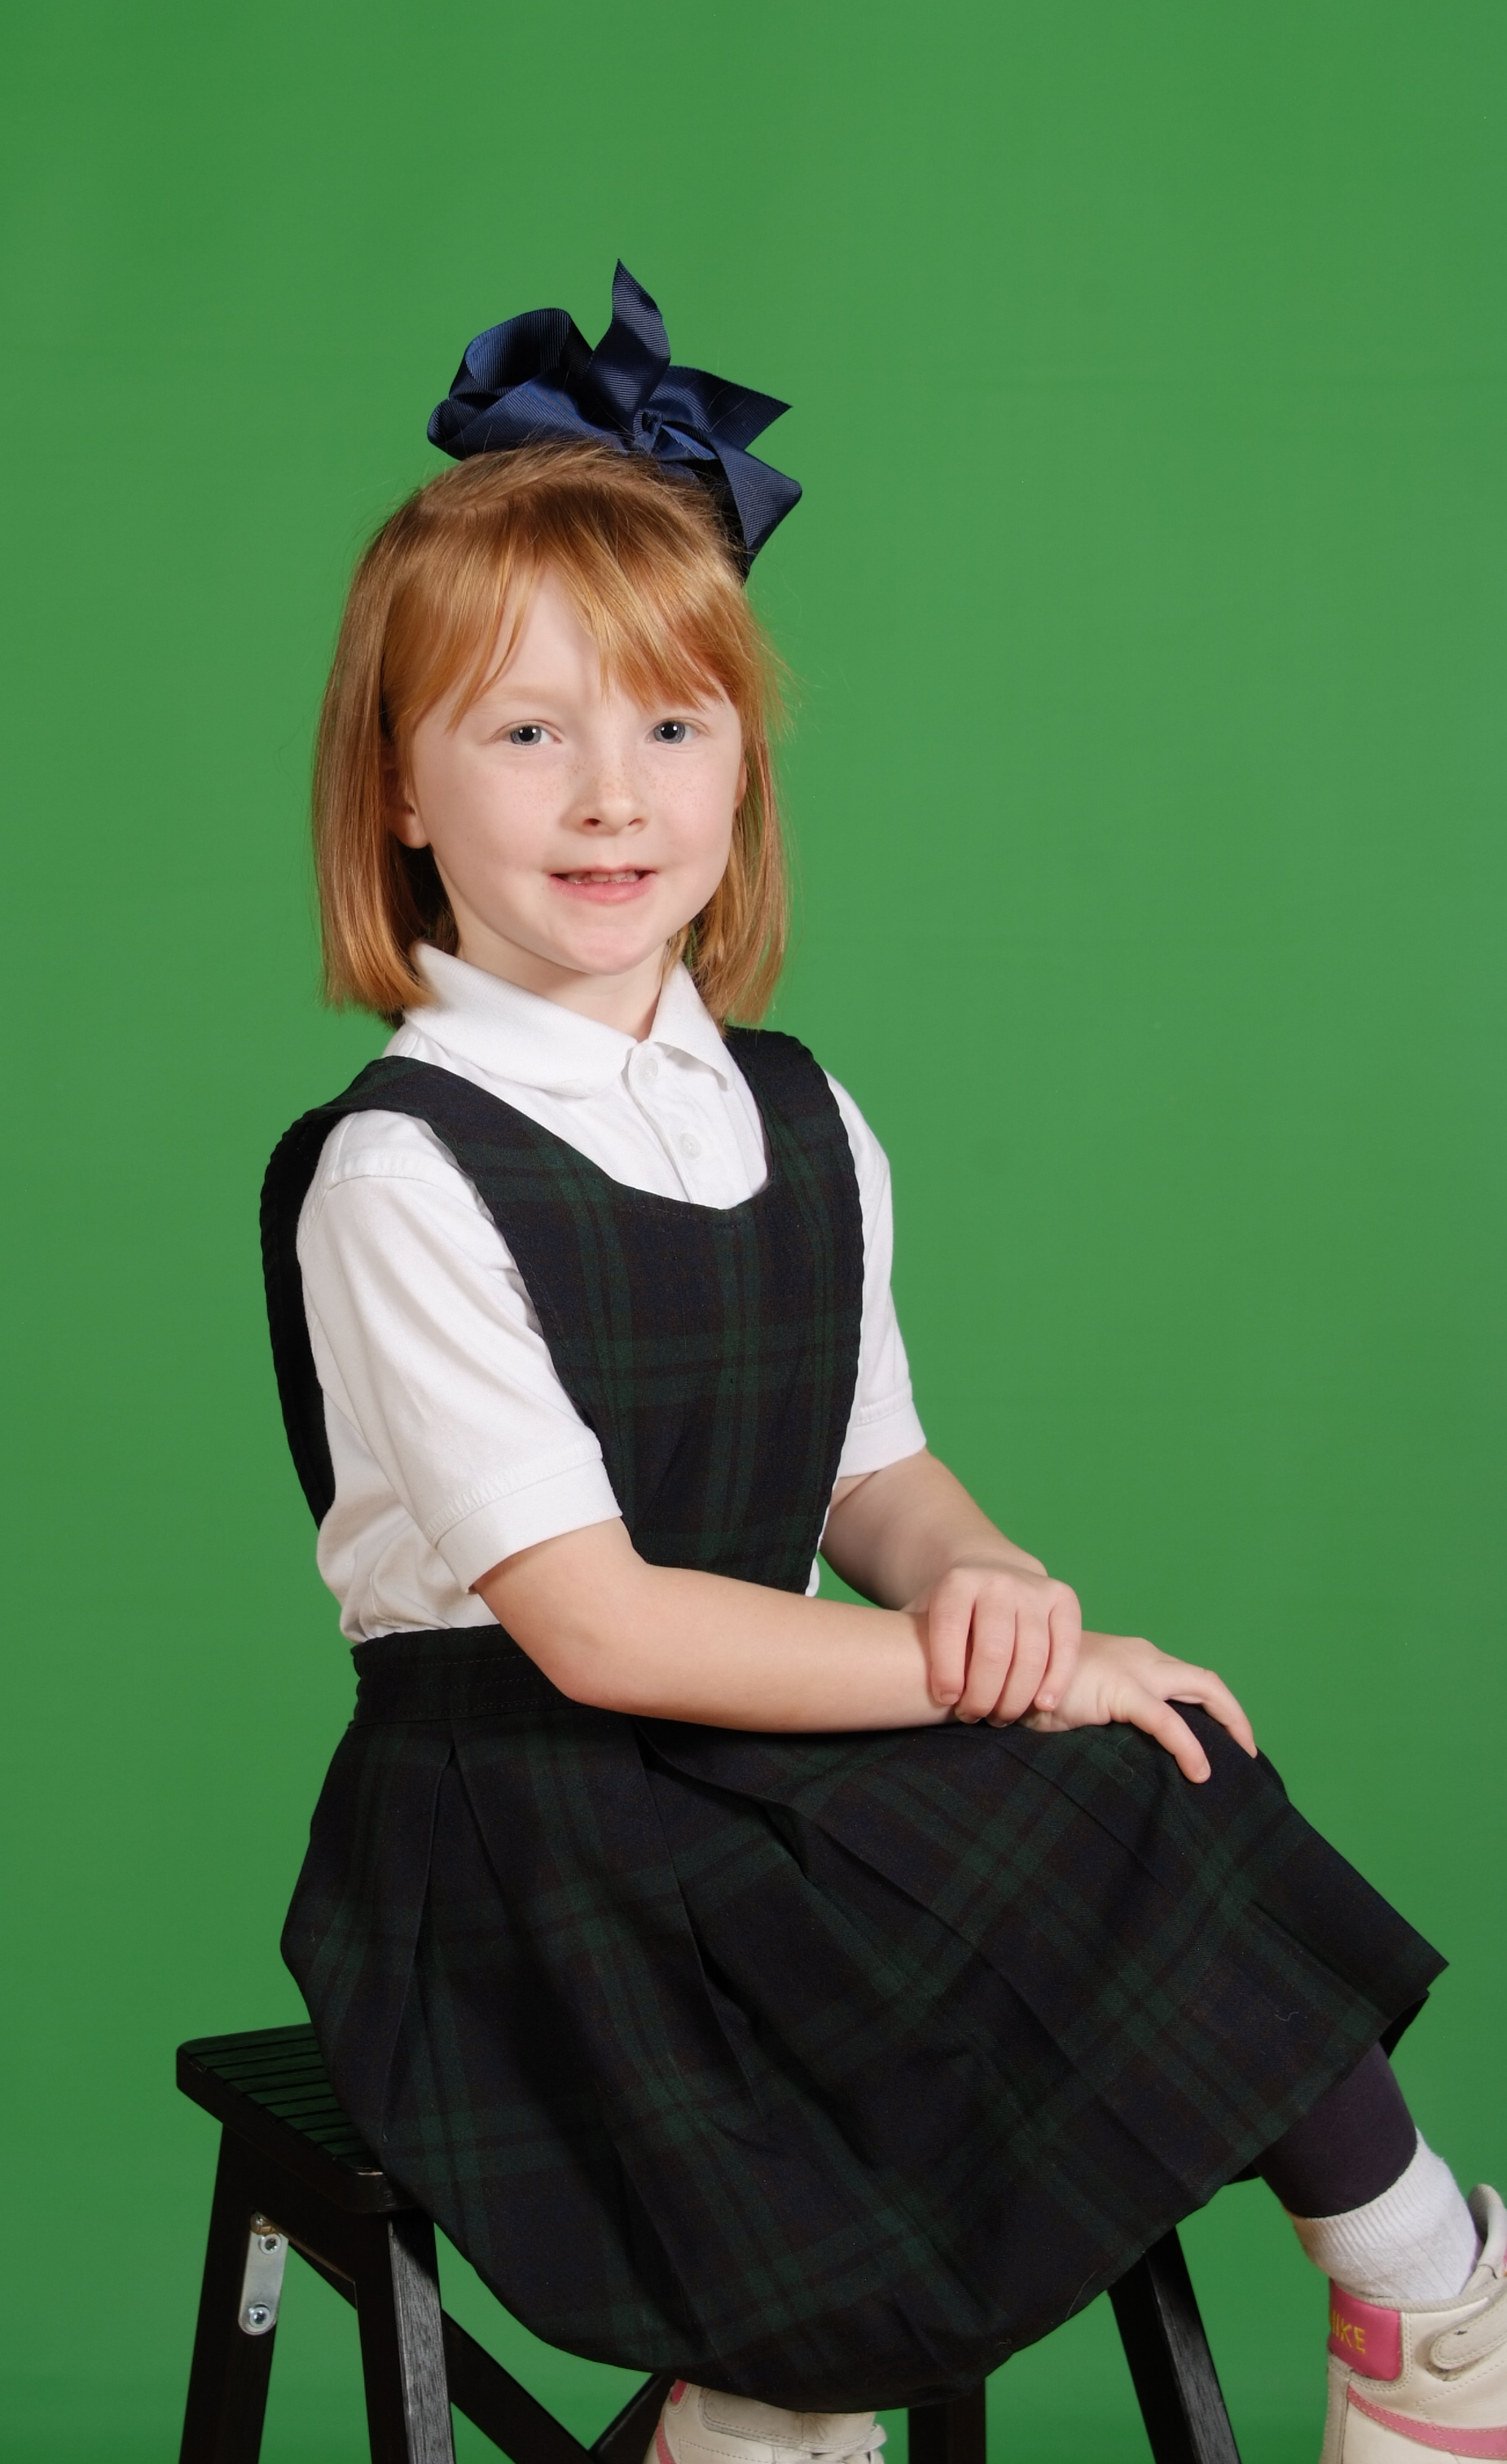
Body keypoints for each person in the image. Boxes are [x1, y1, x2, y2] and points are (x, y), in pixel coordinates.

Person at [261, 266, 1504, 2464]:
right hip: (529, 1839)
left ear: (745, 763)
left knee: (1153, 1765)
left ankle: (1430, 2306)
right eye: (527, 733)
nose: (612, 794)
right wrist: (985, 1676)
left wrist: (988, 1581)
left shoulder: (799, 1112)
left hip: (759, 1755)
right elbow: (600, 1627)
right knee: (1055, 1791)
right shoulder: (403, 1168)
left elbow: (869, 1475)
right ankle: (776, 2404)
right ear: (403, 791)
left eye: (673, 726)